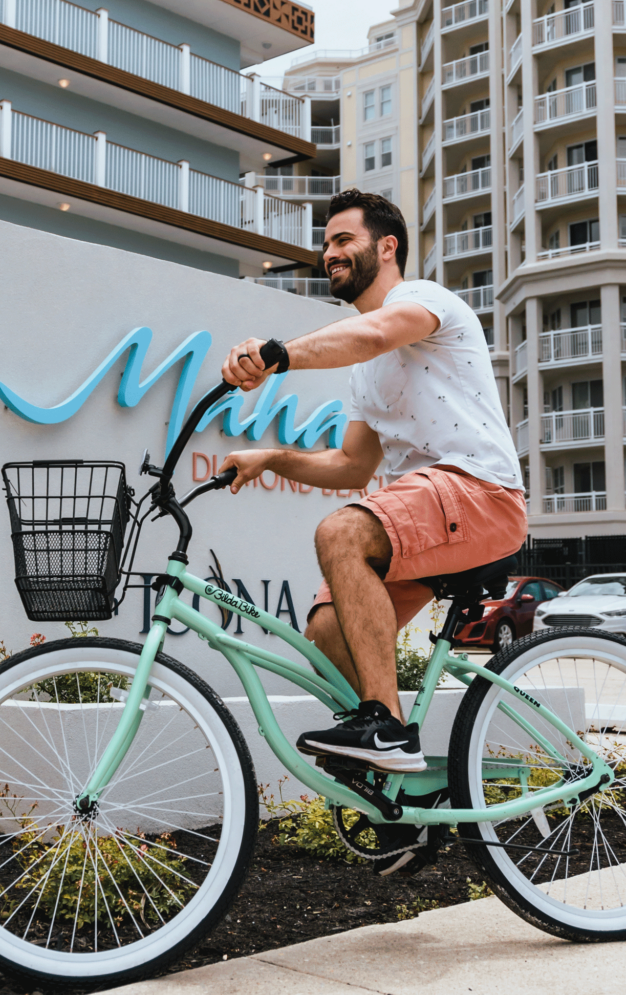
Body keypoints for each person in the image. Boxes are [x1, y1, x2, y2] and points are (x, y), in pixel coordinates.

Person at [219, 189, 528, 874]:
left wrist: (276, 355)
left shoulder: (422, 301)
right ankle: (403, 800)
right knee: (327, 633)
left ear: (384, 247)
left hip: (479, 492)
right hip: (428, 507)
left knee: (341, 535)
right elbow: (353, 463)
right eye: (325, 244)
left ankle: (385, 729)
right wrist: (270, 456)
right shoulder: (363, 373)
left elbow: (371, 333)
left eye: (342, 240)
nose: (328, 253)